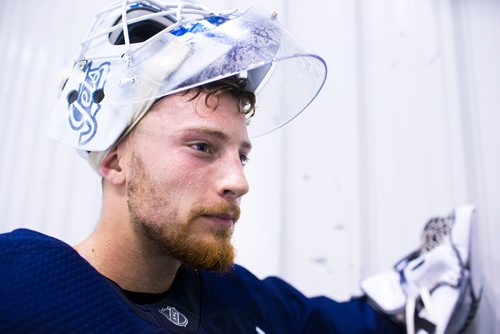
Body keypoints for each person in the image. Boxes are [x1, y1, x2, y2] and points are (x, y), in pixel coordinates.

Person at [0, 1, 479, 333]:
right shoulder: (22, 283)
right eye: (202, 147)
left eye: (241, 155)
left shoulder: (242, 302)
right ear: (114, 159)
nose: (239, 181)